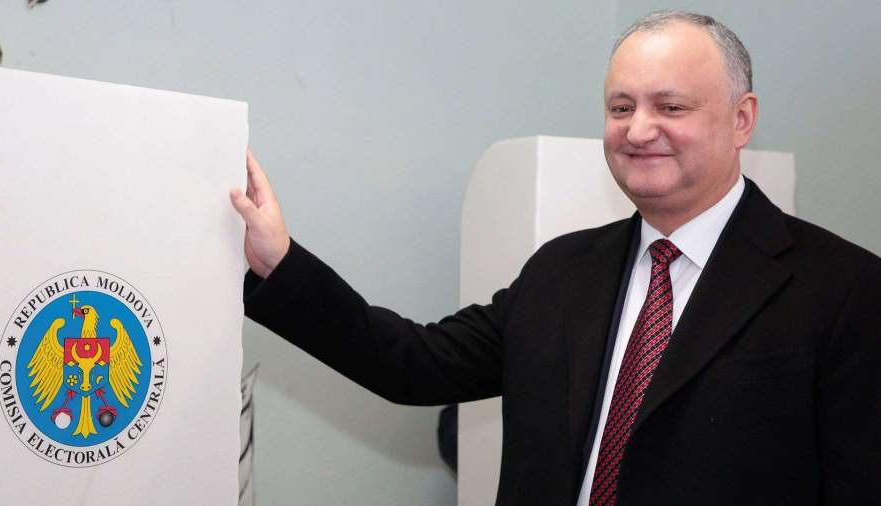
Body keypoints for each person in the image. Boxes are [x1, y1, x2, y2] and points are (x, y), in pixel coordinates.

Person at [230, 10, 880, 506]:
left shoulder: (845, 288)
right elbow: (414, 364)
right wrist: (279, 262)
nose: (638, 129)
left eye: (670, 107)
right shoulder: (562, 271)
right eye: (620, 107)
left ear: (742, 120)